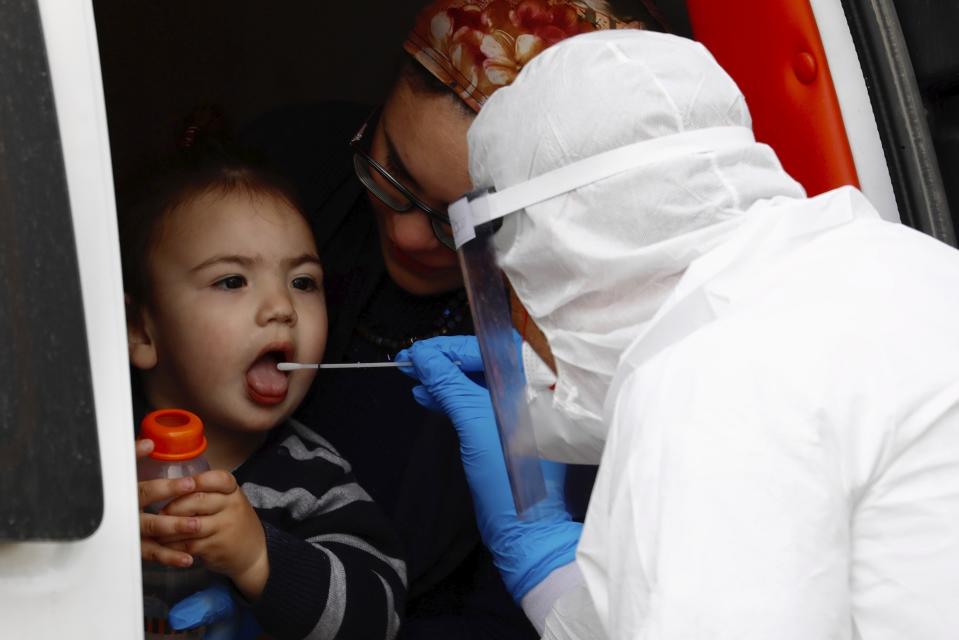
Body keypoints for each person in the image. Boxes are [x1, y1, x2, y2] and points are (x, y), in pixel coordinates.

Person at [399, 29, 959, 639]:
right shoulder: (898, 262)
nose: (519, 319)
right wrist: (548, 569)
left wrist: (538, 550)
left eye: (514, 280)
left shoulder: (703, 387)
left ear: (561, 255)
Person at [240, 1, 666, 637]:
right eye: (395, 173)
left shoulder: (594, 358)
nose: (411, 236)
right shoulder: (286, 169)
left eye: (467, 222)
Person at [119, 129, 406, 639]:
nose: (281, 308)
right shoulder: (86, 458)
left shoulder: (315, 483)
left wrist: (258, 557)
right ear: (141, 330)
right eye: (232, 280)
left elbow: (379, 616)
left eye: (303, 282)